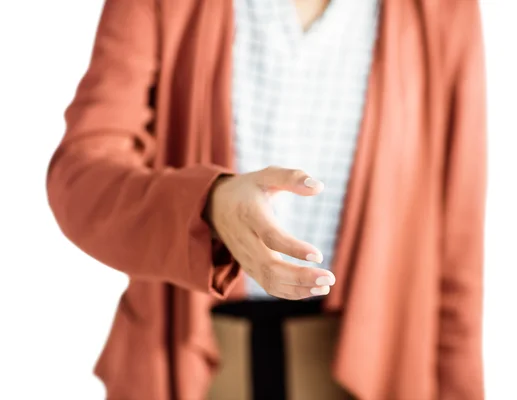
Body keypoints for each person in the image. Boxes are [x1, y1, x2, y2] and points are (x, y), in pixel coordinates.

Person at [46, 0, 487, 398]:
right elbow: (81, 177)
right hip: (188, 359)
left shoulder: (442, 12)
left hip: (363, 365)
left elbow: (456, 255)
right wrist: (207, 205)